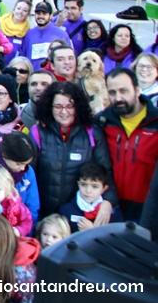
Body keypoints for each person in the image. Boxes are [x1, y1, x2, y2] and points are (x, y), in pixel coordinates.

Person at [30, 81, 116, 217]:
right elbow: (29, 174)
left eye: (70, 106)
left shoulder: (92, 133)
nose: (64, 112)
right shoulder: (38, 132)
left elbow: (105, 171)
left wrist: (109, 201)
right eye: (58, 106)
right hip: (44, 212)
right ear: (49, 107)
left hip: (79, 212)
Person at [97, 68, 158, 222]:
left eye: (124, 91)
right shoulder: (102, 122)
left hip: (149, 211)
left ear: (137, 90)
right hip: (111, 209)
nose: (118, 98)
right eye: (112, 92)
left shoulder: (155, 123)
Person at [58, 161, 124, 230]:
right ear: (78, 184)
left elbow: (117, 239)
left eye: (94, 186)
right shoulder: (66, 210)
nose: (88, 190)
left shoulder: (113, 213)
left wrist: (92, 231)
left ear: (104, 189)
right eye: (83, 184)